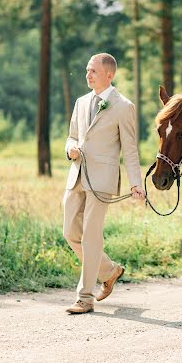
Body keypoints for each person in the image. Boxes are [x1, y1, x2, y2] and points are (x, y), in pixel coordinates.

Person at [63, 52, 145, 314]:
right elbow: (71, 137)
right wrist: (71, 148)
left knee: (90, 237)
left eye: (93, 71)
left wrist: (136, 183)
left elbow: (130, 150)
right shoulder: (80, 102)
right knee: (70, 234)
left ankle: (84, 298)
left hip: (102, 181)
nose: (88, 75)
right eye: (87, 70)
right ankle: (109, 271)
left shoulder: (123, 106)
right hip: (76, 176)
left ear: (109, 75)